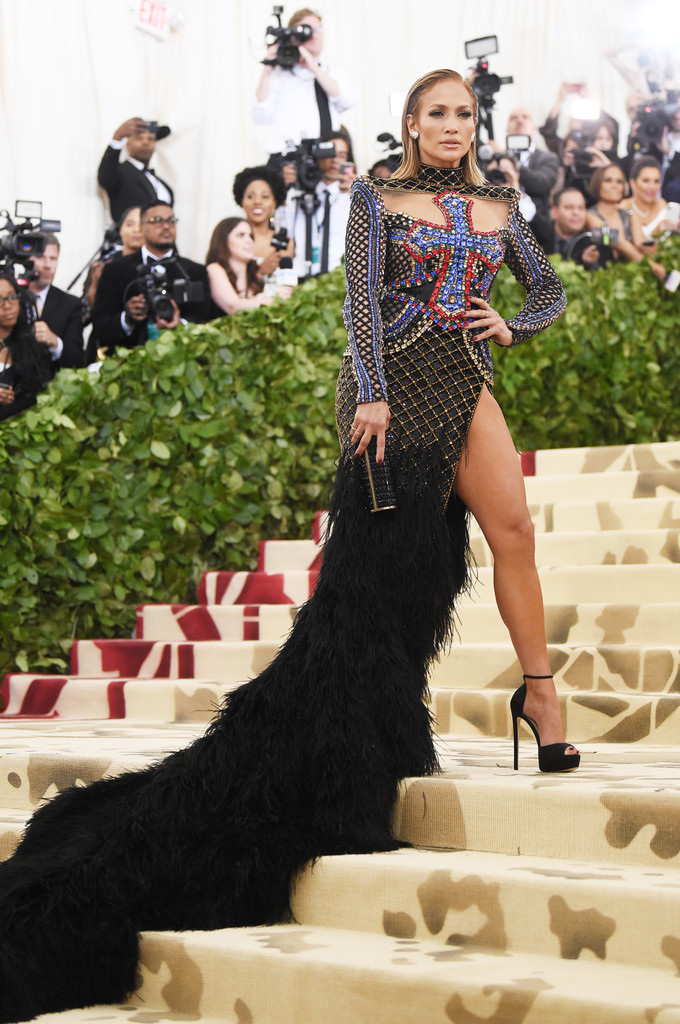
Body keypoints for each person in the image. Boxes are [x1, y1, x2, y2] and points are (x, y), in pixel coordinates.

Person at [0, 68, 578, 1023]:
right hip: (391, 384)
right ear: (410, 122)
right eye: (437, 113)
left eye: (464, 114)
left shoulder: (500, 205)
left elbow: (549, 288)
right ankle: (361, 730)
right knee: (382, 575)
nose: (452, 125)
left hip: (465, 377)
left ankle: (542, 697)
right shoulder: (377, 197)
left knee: (512, 531)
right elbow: (359, 305)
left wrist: (510, 323)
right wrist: (373, 393)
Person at [91, 201, 215, 353]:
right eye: (157, 220)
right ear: (142, 227)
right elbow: (101, 325)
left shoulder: (194, 271)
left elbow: (205, 319)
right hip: (128, 356)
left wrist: (180, 324)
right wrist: (128, 317)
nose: (166, 226)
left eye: (171, 220)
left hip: (180, 355)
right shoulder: (115, 270)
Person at [253, 7, 356, 167]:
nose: (313, 35)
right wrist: (267, 68)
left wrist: (313, 67)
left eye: (318, 29)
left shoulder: (332, 74)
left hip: (324, 160)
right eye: (306, 30)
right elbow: (260, 115)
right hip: (285, 160)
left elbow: (347, 101)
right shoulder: (277, 75)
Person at [287, 129, 355, 278]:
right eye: (329, 153)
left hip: (340, 279)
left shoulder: (353, 197)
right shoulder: (298, 194)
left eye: (341, 155)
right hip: (301, 278)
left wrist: (360, 196)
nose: (334, 160)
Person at [206, 217, 292, 314]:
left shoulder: (252, 273)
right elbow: (233, 306)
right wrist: (272, 301)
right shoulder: (215, 268)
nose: (249, 241)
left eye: (250, 236)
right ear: (223, 241)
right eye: (241, 235)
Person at [26, 233, 86, 373]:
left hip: (50, 381)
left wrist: (55, 343)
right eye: (41, 257)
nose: (48, 265)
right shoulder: (9, 297)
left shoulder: (70, 304)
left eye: (53, 258)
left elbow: (77, 358)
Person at [98, 118, 174, 224]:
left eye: (151, 139)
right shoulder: (120, 172)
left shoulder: (159, 182)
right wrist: (117, 138)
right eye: (139, 138)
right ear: (127, 145)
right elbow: (106, 178)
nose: (145, 142)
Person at [0, 273, 52, 422]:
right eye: (0, 300)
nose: (7, 305)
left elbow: (34, 397)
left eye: (12, 296)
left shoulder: (30, 347)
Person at [233, 165, 295, 284]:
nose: (257, 201)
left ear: (275, 202)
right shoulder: (232, 239)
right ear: (242, 201)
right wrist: (260, 271)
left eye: (265, 196)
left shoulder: (286, 243)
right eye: (250, 196)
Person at [501, 107, 560, 220]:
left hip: (537, 223)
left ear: (534, 129)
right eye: (514, 118)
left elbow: (541, 184)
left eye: (525, 117)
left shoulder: (548, 158)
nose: (519, 121)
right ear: (507, 129)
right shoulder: (496, 159)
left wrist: (511, 162)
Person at [622, 157, 680, 246]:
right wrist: (657, 230)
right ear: (632, 183)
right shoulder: (623, 207)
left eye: (656, 181)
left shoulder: (663, 205)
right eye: (646, 181)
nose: (652, 187)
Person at [543, 188, 601, 269]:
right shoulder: (538, 237)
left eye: (581, 208)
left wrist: (589, 264)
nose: (576, 213)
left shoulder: (591, 243)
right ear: (554, 212)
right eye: (569, 207)